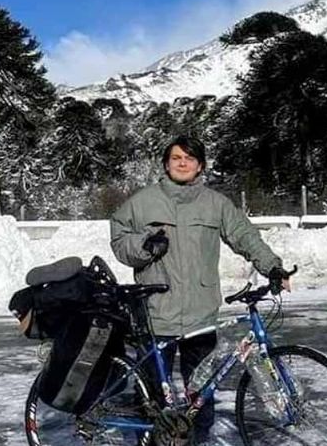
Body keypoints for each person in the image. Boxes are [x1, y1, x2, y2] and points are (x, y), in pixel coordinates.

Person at [110, 135, 289, 443]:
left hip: (201, 314)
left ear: (200, 166)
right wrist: (144, 245)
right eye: (176, 157)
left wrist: (272, 266)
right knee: (153, 398)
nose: (182, 163)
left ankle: (197, 440)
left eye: (189, 159)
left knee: (201, 394)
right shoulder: (142, 202)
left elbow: (245, 236)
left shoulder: (215, 203)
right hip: (156, 312)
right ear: (166, 164)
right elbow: (119, 240)